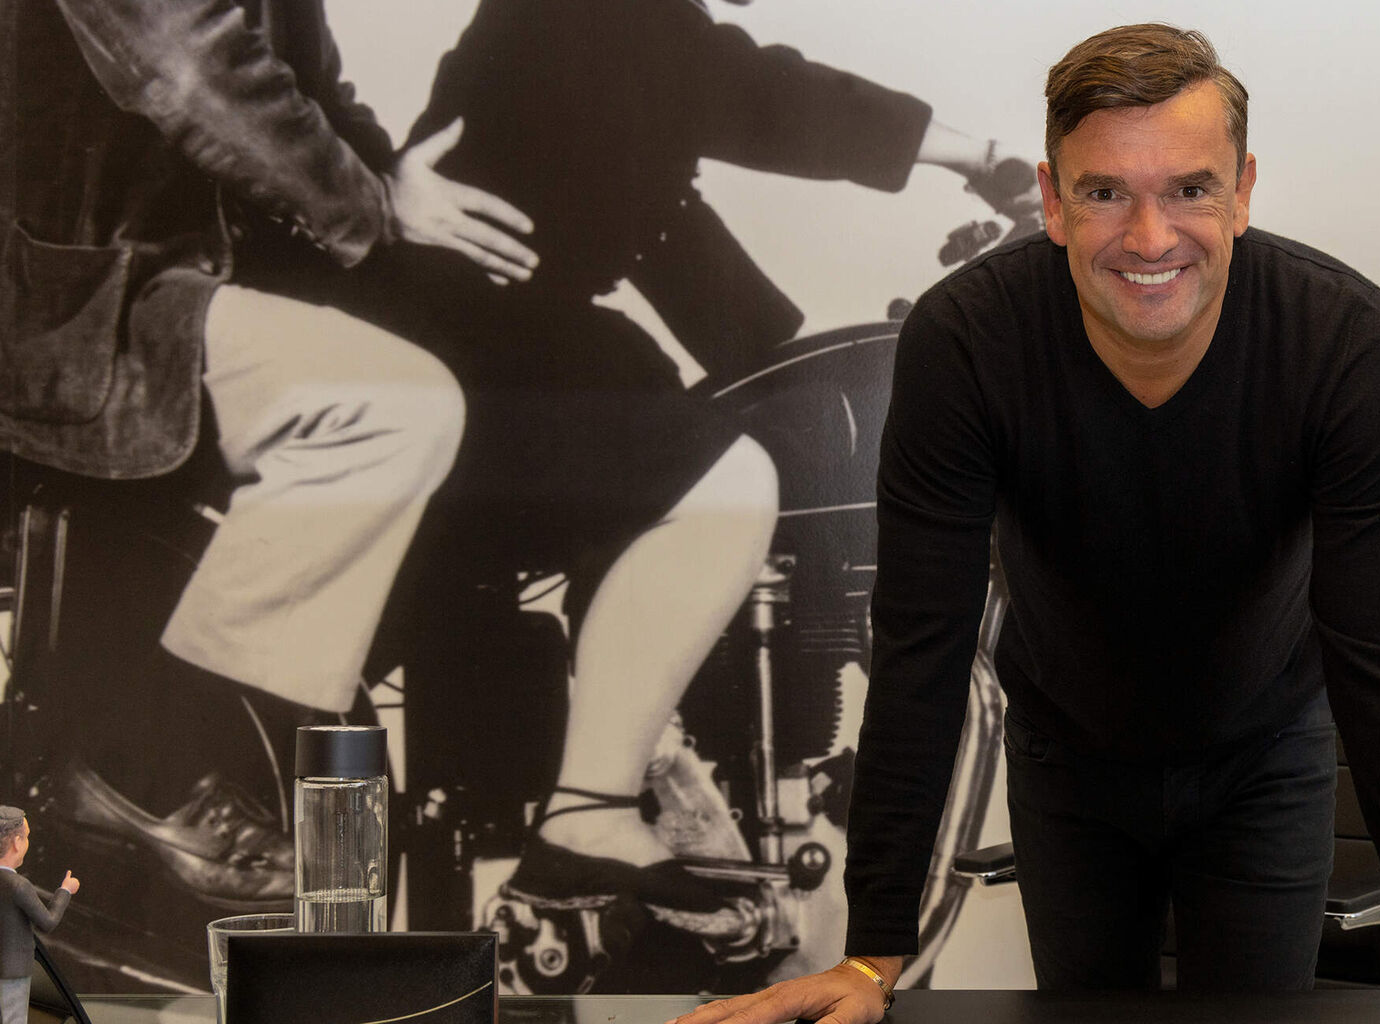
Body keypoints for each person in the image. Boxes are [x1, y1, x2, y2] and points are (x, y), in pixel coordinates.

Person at [677, 24, 1380, 1024]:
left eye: (1189, 189)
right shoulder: (967, 338)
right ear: (1051, 199)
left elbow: (1377, 654)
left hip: (1266, 753)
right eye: (1106, 190)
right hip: (1068, 755)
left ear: (1242, 190)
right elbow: (921, 649)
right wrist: (869, 958)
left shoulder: (1340, 338)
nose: (1150, 238)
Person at [241, 0, 1035, 945]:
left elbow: (667, 231)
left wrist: (827, 367)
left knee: (733, 446)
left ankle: (669, 791)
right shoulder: (614, 18)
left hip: (489, 342)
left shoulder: (623, 64)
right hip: (459, 355)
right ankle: (597, 809)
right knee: (717, 481)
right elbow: (755, 91)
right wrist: (988, 159)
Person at [0, 0, 527, 907]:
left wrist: (398, 189)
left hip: (167, 301)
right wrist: (374, 206)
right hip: (65, 312)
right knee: (389, 407)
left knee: (484, 402)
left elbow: (310, 90)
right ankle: (146, 769)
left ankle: (329, 877)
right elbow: (187, 66)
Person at [0, 809, 79, 1024]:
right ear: (17, 843)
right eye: (27, 837)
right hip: (13, 971)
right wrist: (65, 891)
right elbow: (47, 922)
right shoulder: (18, 885)